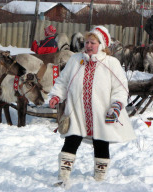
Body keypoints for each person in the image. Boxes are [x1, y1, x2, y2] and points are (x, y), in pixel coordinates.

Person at [49, 26, 136, 186]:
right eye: (87, 42)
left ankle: (100, 180)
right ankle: (63, 177)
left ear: (101, 44)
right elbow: (63, 81)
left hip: (102, 112)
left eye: (92, 43)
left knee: (101, 142)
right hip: (77, 112)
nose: (88, 45)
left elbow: (120, 87)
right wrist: (56, 95)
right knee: (71, 141)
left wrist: (116, 105)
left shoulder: (111, 63)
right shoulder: (76, 60)